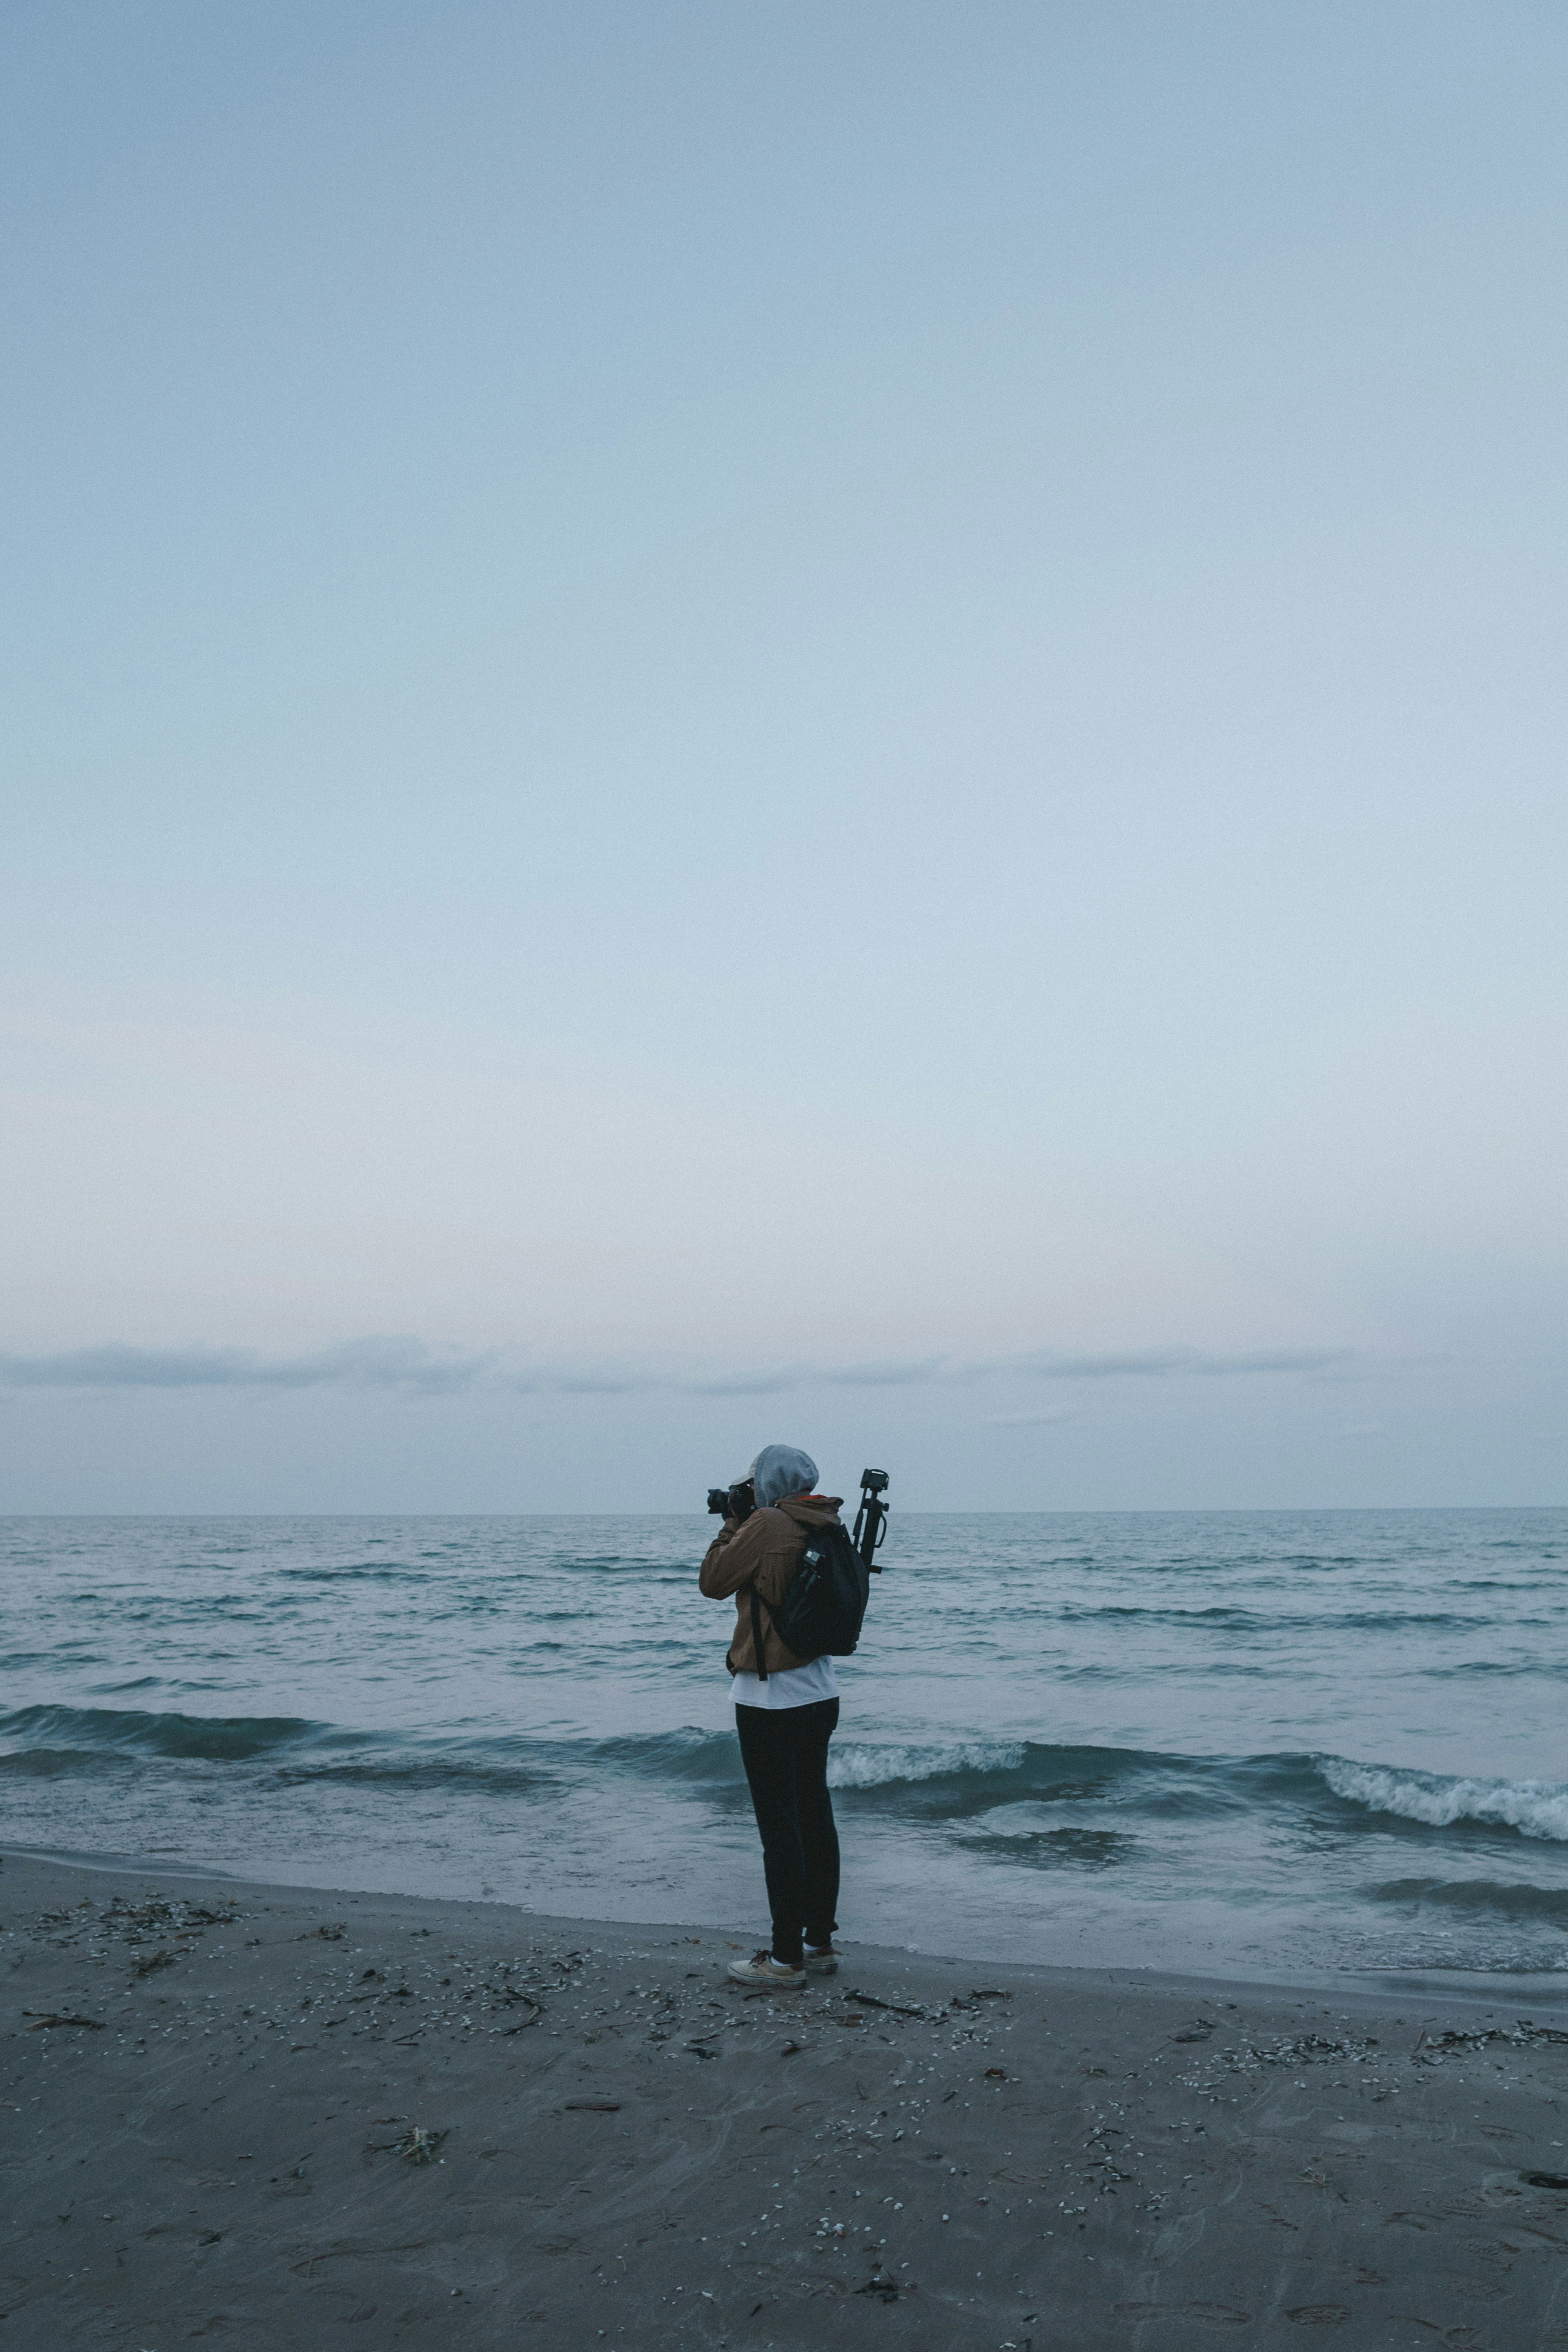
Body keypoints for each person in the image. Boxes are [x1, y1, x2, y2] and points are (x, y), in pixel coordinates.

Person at [699, 1442, 845, 1988]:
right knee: (815, 1814)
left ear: (769, 1485)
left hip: (768, 1698)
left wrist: (730, 1525)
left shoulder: (766, 1525)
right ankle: (820, 1942)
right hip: (820, 1692)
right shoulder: (826, 1522)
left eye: (755, 1484)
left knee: (779, 1827)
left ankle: (785, 1960)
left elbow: (713, 1582)